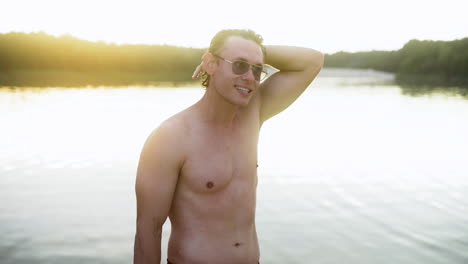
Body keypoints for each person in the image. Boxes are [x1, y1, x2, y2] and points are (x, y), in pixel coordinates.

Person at [134, 29, 324, 264]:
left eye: (257, 69)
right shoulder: (170, 137)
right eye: (239, 65)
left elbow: (312, 61)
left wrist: (258, 51)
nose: (250, 77)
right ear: (210, 64)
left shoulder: (254, 113)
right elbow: (148, 231)